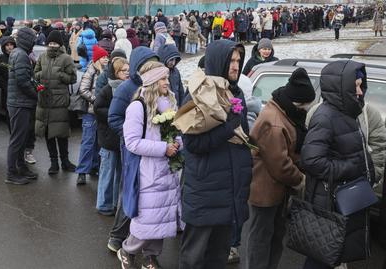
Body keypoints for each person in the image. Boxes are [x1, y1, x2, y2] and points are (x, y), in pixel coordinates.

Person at [178, 40, 252, 269]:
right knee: (194, 259)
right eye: (231, 60)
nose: (236, 66)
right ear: (218, 61)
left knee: (218, 258)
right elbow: (192, 144)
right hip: (205, 194)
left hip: (229, 193)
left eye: (239, 60)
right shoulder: (196, 96)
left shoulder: (236, 94)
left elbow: (242, 137)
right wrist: (226, 129)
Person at [301, 60, 372, 269]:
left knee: (331, 255)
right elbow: (311, 161)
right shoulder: (325, 116)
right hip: (329, 202)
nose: (360, 91)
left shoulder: (348, 111)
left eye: (361, 85)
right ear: (342, 86)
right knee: (321, 256)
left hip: (343, 199)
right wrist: (351, 169)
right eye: (356, 86)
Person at [246, 68, 316, 269]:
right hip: (265, 192)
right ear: (296, 102)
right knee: (261, 239)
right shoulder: (274, 122)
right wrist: (300, 180)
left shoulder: (284, 110)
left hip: (276, 191)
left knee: (275, 236)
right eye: (304, 105)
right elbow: (280, 165)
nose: (305, 110)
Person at [117, 61, 181, 269]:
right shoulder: (138, 107)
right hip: (149, 173)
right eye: (162, 78)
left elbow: (178, 132)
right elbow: (132, 142)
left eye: (166, 77)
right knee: (147, 219)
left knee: (161, 218)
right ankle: (127, 249)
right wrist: (164, 148)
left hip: (168, 172)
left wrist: (178, 144)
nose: (166, 81)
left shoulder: (169, 102)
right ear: (152, 80)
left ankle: (151, 256)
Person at [107, 46, 159, 252]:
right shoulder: (126, 89)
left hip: (152, 150)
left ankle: (143, 239)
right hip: (132, 150)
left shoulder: (156, 86)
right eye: (146, 66)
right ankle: (117, 236)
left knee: (147, 194)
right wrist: (133, 135)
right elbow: (114, 117)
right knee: (130, 191)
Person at [34, 30, 77, 174]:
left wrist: (60, 75)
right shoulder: (42, 57)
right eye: (50, 43)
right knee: (48, 134)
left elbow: (73, 78)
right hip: (44, 100)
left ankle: (65, 161)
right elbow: (35, 74)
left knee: (61, 133)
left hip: (59, 101)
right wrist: (42, 75)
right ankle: (54, 163)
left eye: (55, 43)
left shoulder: (66, 58)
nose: (52, 46)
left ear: (60, 44)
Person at [94, 56, 128, 216]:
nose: (127, 73)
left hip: (122, 137)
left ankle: (116, 203)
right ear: (115, 72)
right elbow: (98, 108)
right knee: (107, 172)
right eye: (123, 70)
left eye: (128, 70)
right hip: (108, 137)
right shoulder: (108, 89)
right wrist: (116, 115)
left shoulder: (129, 88)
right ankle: (103, 204)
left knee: (120, 173)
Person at [6, 27, 38, 185]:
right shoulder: (21, 55)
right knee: (17, 139)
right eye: (33, 40)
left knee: (22, 138)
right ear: (27, 40)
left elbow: (25, 77)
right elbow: (23, 81)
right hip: (20, 103)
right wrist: (35, 93)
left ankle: (21, 167)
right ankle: (11, 173)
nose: (34, 43)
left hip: (19, 102)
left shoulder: (19, 53)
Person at [76, 45, 109, 185]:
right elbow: (83, 90)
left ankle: (94, 167)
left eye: (107, 57)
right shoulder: (91, 70)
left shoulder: (106, 71)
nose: (107, 59)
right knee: (88, 142)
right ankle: (82, 172)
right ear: (98, 59)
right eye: (104, 57)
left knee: (98, 142)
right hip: (90, 112)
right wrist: (96, 100)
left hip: (101, 113)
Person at [0, 36, 16, 132]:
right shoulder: (1, 59)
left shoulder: (19, 56)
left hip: (19, 91)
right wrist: (4, 86)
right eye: (7, 45)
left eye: (11, 45)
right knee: (9, 113)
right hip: (6, 92)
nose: (9, 47)